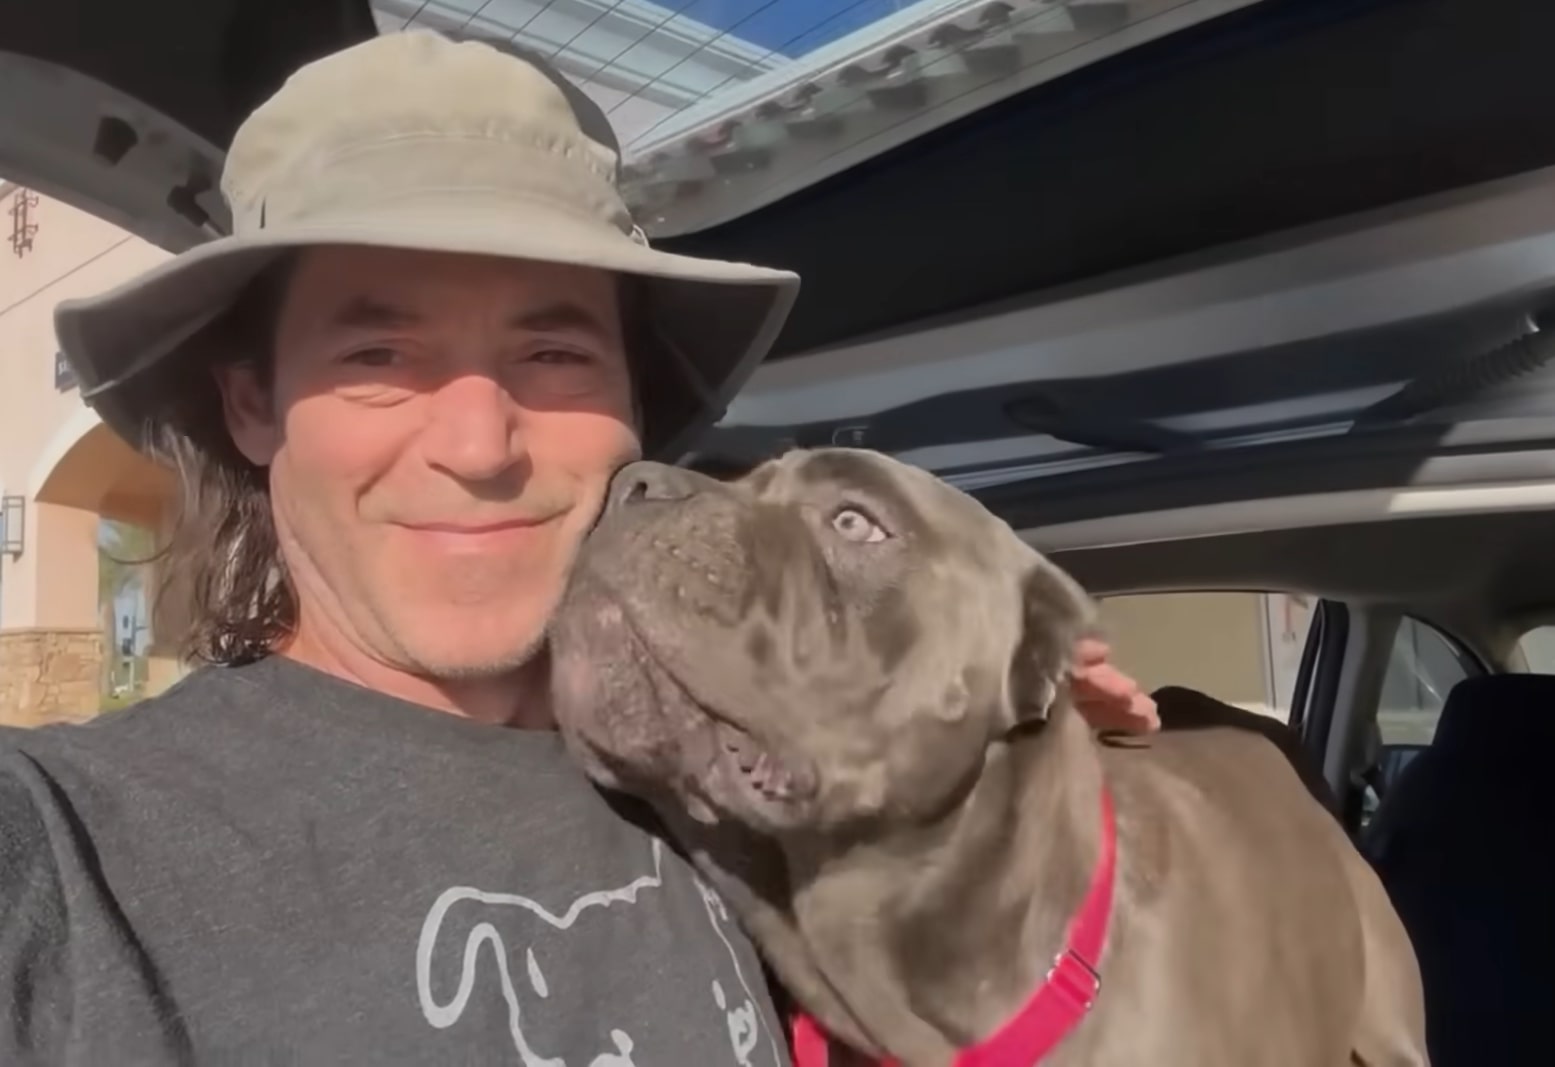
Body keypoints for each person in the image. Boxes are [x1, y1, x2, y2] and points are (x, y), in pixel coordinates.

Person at [0, 30, 1156, 1065]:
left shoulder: (718, 764)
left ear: (631, 408)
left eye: (552, 356)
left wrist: (1010, 729)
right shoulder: (74, 850)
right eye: (379, 355)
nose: (478, 441)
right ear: (255, 406)